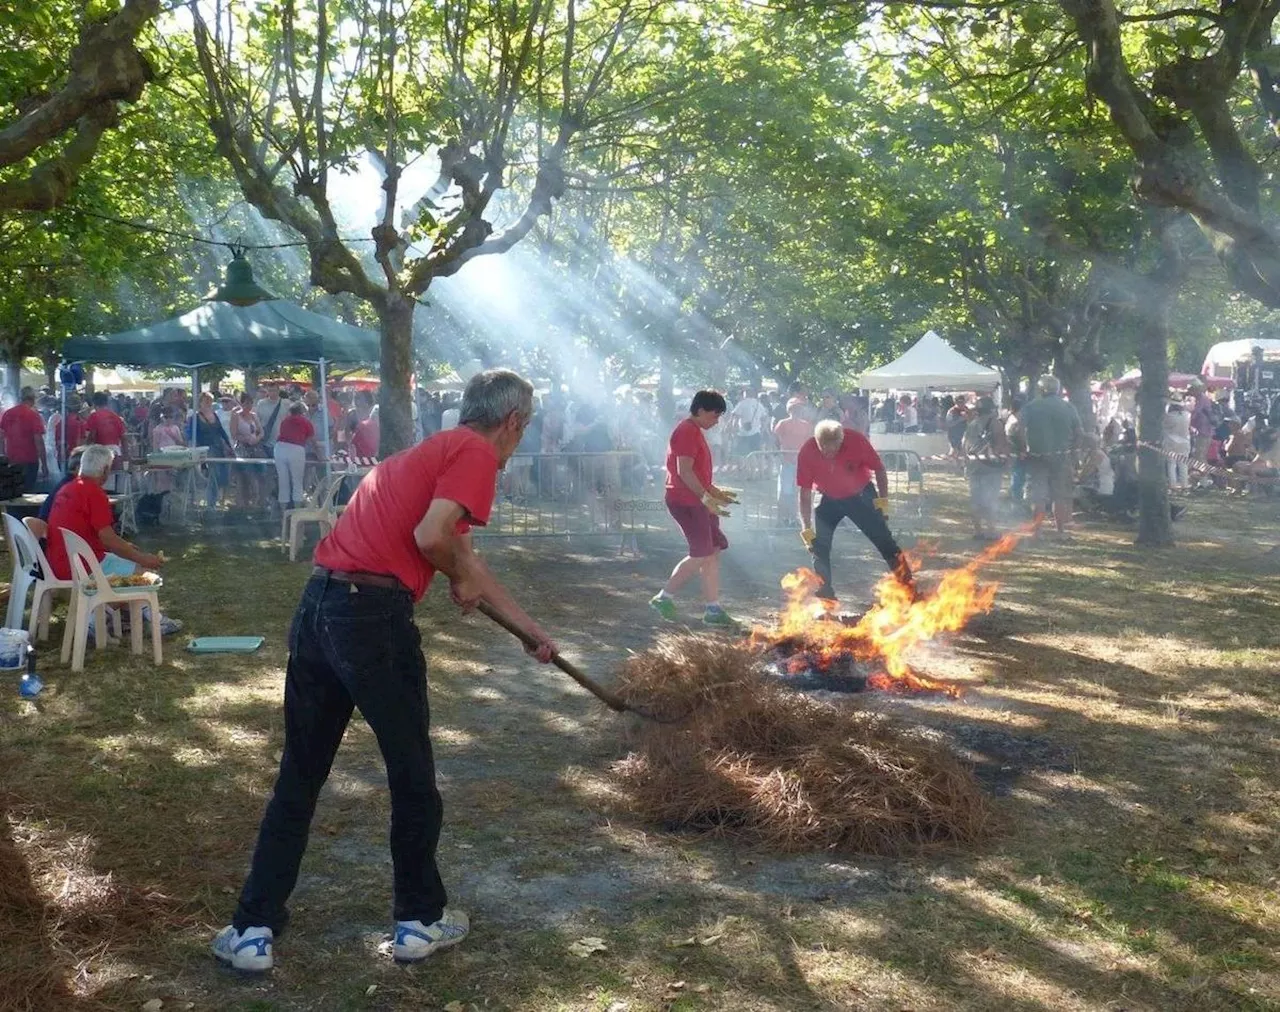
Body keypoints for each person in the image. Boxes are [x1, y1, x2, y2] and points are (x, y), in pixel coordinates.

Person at [212, 370, 556, 973]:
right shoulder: (475, 453)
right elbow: (433, 539)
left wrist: (528, 630)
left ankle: (251, 930)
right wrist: (455, 572)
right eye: (522, 431)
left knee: (300, 774)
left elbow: (460, 556)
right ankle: (419, 921)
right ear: (513, 423)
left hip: (319, 606)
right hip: (372, 618)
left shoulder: (422, 456)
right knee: (412, 773)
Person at [43, 444, 180, 634]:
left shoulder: (68, 488)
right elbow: (108, 539)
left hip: (59, 561)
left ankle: (131, 617)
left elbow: (91, 534)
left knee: (128, 565)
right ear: (106, 470)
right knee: (143, 574)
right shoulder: (94, 492)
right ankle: (100, 620)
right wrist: (142, 558)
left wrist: (124, 547)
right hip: (80, 565)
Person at [648, 390, 740, 628]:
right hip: (686, 501)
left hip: (698, 500)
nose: (717, 420)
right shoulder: (686, 431)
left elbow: (696, 472)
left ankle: (712, 608)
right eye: (715, 415)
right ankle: (663, 598)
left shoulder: (695, 431)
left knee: (713, 550)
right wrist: (705, 497)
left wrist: (714, 492)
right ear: (700, 410)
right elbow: (684, 471)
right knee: (701, 553)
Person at [797, 420, 916, 602]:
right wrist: (806, 527)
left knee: (884, 541)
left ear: (841, 441)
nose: (829, 454)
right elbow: (804, 493)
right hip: (827, 497)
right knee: (818, 546)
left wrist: (882, 502)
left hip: (860, 496)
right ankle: (826, 592)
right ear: (817, 441)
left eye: (833, 449)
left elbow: (879, 469)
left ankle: (909, 588)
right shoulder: (807, 451)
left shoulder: (856, 441)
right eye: (824, 449)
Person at [1017, 375, 1082, 535]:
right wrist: (1074, 453)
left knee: (1038, 495)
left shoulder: (1031, 407)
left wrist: (1023, 448)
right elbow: (1079, 433)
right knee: (1059, 495)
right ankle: (1060, 530)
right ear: (1058, 389)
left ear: (1041, 389)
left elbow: (1019, 430)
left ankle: (1037, 531)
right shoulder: (1069, 408)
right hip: (1062, 456)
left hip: (1037, 456)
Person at [962, 396, 1008, 540]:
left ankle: (978, 531)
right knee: (991, 498)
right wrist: (1004, 460)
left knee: (976, 498)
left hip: (974, 466)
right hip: (990, 467)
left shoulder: (972, 424)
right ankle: (991, 530)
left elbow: (964, 444)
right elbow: (1001, 444)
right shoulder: (995, 423)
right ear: (992, 409)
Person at [773, 398, 814, 523]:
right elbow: (775, 440)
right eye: (795, 408)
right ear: (789, 410)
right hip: (787, 462)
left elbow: (810, 443)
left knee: (798, 492)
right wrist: (778, 456)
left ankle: (793, 517)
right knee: (785, 492)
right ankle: (782, 518)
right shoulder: (782, 423)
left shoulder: (806, 425)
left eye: (799, 408)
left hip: (801, 463)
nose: (797, 411)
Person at [0, 388, 48, 490]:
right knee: (28, 494)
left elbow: (1, 437)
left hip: (11, 460)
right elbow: (39, 442)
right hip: (29, 461)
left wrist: (3, 456)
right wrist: (44, 464)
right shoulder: (34, 415)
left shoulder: (8, 414)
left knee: (13, 493)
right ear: (33, 399)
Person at [193, 392, 234, 507]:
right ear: (200, 402)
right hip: (206, 449)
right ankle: (211, 504)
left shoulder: (215, 415)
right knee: (214, 476)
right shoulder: (195, 417)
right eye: (206, 401)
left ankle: (217, 500)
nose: (208, 403)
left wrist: (229, 447)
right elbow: (192, 435)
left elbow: (221, 432)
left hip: (219, 448)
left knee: (224, 476)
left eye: (210, 401)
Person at [274, 402, 315, 510]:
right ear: (302, 412)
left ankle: (284, 513)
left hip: (280, 448)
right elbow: (312, 441)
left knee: (283, 482)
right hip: (296, 449)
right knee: (297, 482)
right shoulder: (305, 422)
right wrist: (320, 455)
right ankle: (297, 513)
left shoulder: (284, 421)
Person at [233, 392, 266, 508]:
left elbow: (261, 432)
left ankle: (259, 501)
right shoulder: (236, 416)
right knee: (247, 476)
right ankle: (245, 503)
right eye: (246, 403)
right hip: (242, 449)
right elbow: (234, 434)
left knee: (261, 474)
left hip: (255, 448)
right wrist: (245, 439)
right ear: (241, 403)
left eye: (251, 403)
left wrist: (256, 439)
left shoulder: (254, 415)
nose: (249, 406)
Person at [1163, 396, 1192, 490]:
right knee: (1183, 464)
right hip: (1184, 441)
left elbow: (1163, 426)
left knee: (1171, 464)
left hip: (1170, 441)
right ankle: (1184, 484)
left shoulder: (1168, 416)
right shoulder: (1187, 415)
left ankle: (1173, 485)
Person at [730, 388, 769, 457]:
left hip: (743, 433)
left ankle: (748, 467)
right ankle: (758, 467)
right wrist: (762, 429)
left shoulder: (742, 403)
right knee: (756, 454)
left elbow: (735, 419)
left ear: (746, 394)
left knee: (743, 455)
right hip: (756, 433)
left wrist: (734, 432)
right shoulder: (759, 405)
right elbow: (765, 419)